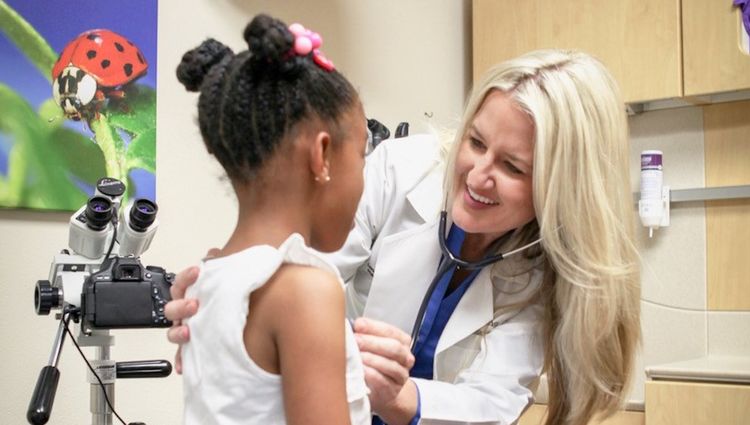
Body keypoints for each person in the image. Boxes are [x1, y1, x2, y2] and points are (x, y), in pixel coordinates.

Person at [168, 48, 641, 425]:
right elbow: (295, 268)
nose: (477, 175)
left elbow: (493, 401)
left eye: (512, 166)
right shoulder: (402, 170)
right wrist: (227, 301)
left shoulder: (542, 269)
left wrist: (400, 397)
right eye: (475, 142)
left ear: (560, 189)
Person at [173, 14, 383, 424]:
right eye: (362, 156)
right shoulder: (306, 290)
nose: (365, 177)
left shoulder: (207, 279)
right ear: (321, 157)